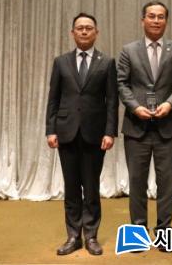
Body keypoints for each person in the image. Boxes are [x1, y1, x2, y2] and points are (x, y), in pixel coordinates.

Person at [117, 1, 172, 251]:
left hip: (167, 127)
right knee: (136, 182)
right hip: (136, 127)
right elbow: (121, 84)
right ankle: (137, 235)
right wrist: (134, 107)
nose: (156, 20)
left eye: (160, 17)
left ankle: (164, 233)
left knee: (166, 183)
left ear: (166, 21)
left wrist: (170, 104)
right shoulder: (128, 50)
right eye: (151, 16)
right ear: (143, 20)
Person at [45, 13, 118, 256]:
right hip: (66, 132)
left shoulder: (107, 63)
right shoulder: (61, 62)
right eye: (80, 28)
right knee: (72, 187)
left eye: (88, 28)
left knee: (92, 187)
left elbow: (112, 101)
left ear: (96, 32)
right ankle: (73, 236)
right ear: (73, 33)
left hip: (95, 134)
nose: (84, 31)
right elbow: (53, 98)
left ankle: (91, 236)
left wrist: (110, 132)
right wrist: (50, 129)